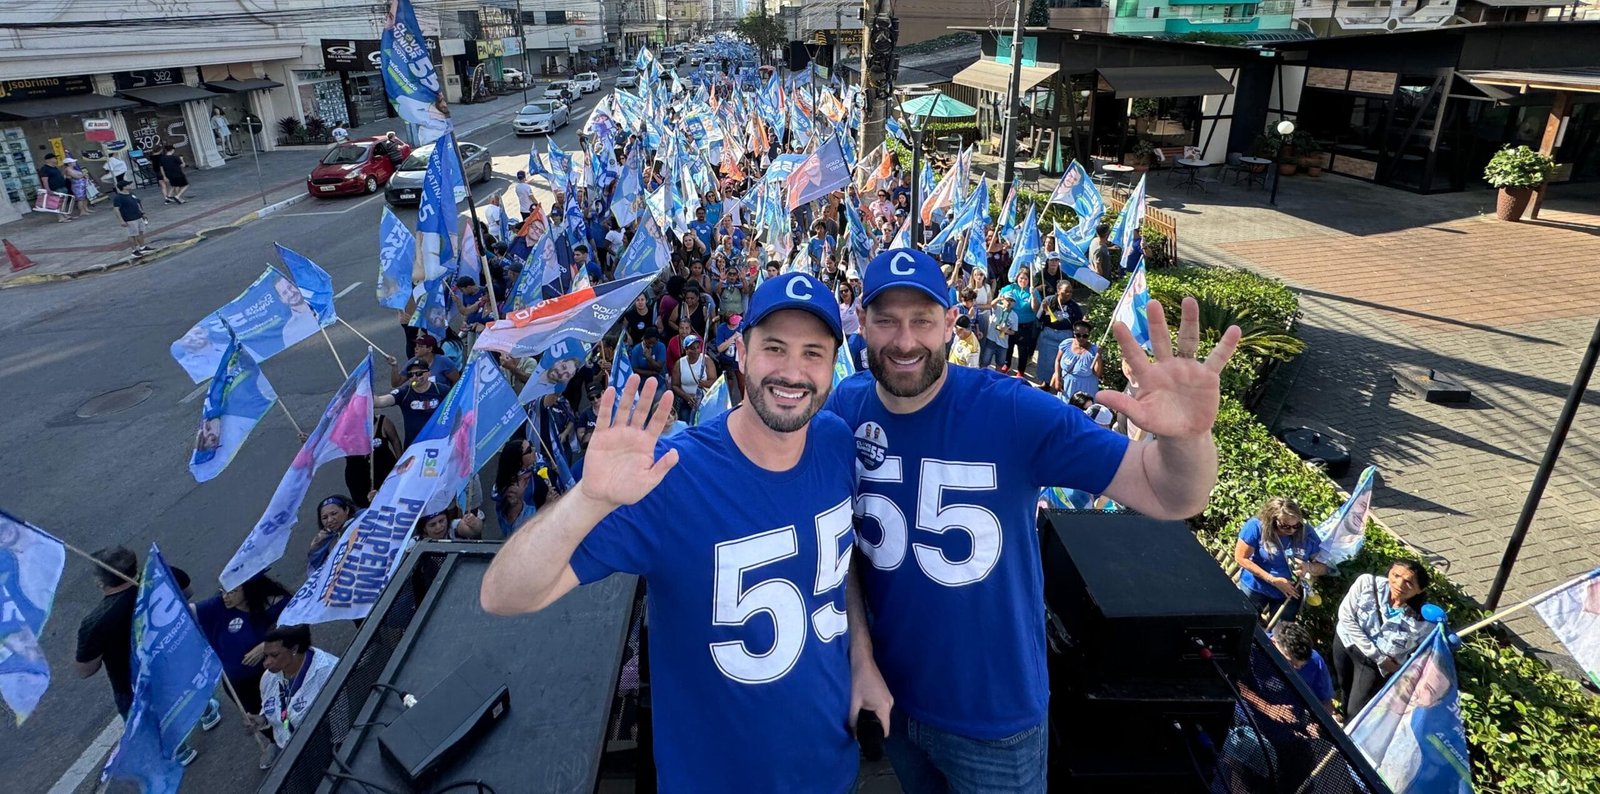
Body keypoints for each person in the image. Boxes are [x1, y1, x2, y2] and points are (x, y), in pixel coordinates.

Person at [828, 247, 1239, 792]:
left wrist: (1187, 437)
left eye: (922, 320)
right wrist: (861, 656)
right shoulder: (846, 407)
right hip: (894, 700)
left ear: (952, 323)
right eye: (886, 320)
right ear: (861, 321)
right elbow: (844, 548)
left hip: (996, 722)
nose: (904, 340)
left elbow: (1171, 495)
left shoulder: (1014, 411)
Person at [480, 273, 889, 792]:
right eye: (775, 348)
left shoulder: (834, 442)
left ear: (835, 363)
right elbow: (504, 595)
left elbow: (836, 566)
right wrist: (587, 499)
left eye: (813, 353)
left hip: (834, 771)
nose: (792, 371)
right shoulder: (671, 475)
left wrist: (862, 657)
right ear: (740, 351)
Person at [76, 547, 217, 766]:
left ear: (100, 582)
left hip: (132, 682)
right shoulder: (161, 576)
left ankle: (180, 751)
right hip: (173, 659)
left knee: (152, 720)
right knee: (187, 689)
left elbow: (85, 669)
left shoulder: (96, 622)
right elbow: (187, 592)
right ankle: (207, 712)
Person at [193, 572, 290, 768]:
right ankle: (273, 741)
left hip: (271, 676)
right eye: (222, 591)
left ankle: (292, 736)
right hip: (237, 683)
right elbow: (189, 610)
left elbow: (295, 625)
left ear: (249, 589)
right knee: (255, 715)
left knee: (283, 710)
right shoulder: (217, 607)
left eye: (232, 592)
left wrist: (265, 646)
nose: (225, 597)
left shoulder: (273, 604)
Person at [1334, 560, 1432, 720]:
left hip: (1375, 666)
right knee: (1344, 685)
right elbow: (1345, 616)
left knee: (1357, 710)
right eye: (1396, 575)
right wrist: (1377, 655)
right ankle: (1340, 718)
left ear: (1419, 590)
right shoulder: (1367, 584)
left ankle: (1344, 736)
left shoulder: (1423, 621)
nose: (1399, 583)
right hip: (1347, 643)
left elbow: (1422, 652)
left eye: (1409, 582)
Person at [1234, 496, 1327, 624]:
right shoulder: (1256, 526)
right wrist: (1273, 580)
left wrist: (1308, 567)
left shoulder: (1307, 533)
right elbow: (1240, 558)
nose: (1292, 530)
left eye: (1297, 526)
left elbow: (1324, 567)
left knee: (1282, 632)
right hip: (1255, 587)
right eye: (1285, 526)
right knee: (1242, 623)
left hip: (1288, 594)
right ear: (1271, 520)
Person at [248, 624, 340, 752]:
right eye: (265, 656)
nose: (266, 663)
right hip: (288, 750)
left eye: (274, 655)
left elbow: (341, 722)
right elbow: (279, 712)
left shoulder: (329, 672)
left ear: (294, 649)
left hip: (324, 748)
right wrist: (262, 719)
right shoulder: (268, 678)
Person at [375, 360, 448, 447]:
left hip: (437, 444)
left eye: (419, 373)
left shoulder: (442, 390)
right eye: (411, 374)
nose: (414, 377)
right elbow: (380, 401)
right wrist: (365, 392)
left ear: (429, 373)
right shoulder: (404, 393)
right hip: (413, 447)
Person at [1271, 622, 1336, 717]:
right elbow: (1241, 689)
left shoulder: (1315, 661)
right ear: (1273, 643)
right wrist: (1270, 709)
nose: (1296, 669)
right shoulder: (1255, 648)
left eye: (1302, 666)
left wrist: (1317, 725)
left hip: (1295, 720)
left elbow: (1326, 702)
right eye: (1291, 663)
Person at [1035, 281, 1082, 389]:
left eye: (1071, 291)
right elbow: (1039, 318)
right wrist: (1044, 310)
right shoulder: (1048, 301)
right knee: (1045, 360)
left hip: (1065, 336)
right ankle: (1045, 383)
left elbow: (1077, 322)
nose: (1069, 294)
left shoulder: (1073, 306)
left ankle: (1059, 383)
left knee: (1062, 361)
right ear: (1058, 291)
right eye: (1066, 291)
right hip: (1049, 335)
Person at [998, 268, 1038, 377]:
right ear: (1017, 278)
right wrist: (1004, 301)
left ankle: (1021, 371)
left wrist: (1033, 295)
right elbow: (1000, 296)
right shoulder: (1011, 288)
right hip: (1010, 324)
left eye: (1026, 279)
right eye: (1021, 278)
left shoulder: (1033, 291)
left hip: (1026, 326)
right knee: (1008, 346)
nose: (1023, 281)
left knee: (1023, 350)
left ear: (1029, 280)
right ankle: (1007, 364)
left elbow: (1036, 309)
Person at [1050, 321, 1103, 398]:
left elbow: (1097, 374)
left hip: (1085, 389)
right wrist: (1057, 378)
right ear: (1074, 333)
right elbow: (1057, 361)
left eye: (1085, 336)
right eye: (1078, 335)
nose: (1081, 338)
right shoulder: (1066, 343)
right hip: (1066, 385)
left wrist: (1099, 356)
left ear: (1089, 335)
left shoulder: (1094, 350)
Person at [671, 334, 717, 422]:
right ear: (686, 350)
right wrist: (687, 397)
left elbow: (714, 381)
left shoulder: (706, 360)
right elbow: (675, 385)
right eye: (692, 348)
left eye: (698, 347)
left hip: (703, 399)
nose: (696, 350)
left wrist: (703, 383)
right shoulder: (679, 363)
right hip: (685, 400)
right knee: (685, 420)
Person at [389, 331, 460, 388]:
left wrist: (449, 399)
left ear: (429, 349)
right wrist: (394, 367)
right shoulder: (412, 362)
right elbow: (396, 384)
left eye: (420, 346)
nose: (416, 348)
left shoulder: (444, 361)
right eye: (416, 346)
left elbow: (456, 381)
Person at [111, 181, 151, 257]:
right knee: (132, 234)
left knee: (140, 232)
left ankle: (142, 247)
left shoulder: (132, 194)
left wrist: (142, 213)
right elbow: (116, 209)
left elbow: (138, 204)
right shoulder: (118, 198)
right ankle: (134, 250)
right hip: (130, 218)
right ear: (124, 187)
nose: (130, 185)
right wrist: (121, 220)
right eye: (128, 185)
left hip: (138, 216)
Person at [37, 153, 71, 223]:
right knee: (57, 203)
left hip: (61, 187)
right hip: (55, 189)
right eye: (54, 158)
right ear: (49, 160)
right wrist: (48, 189)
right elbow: (44, 180)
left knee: (63, 203)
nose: (56, 159)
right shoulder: (45, 169)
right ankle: (60, 217)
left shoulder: (54, 167)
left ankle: (65, 215)